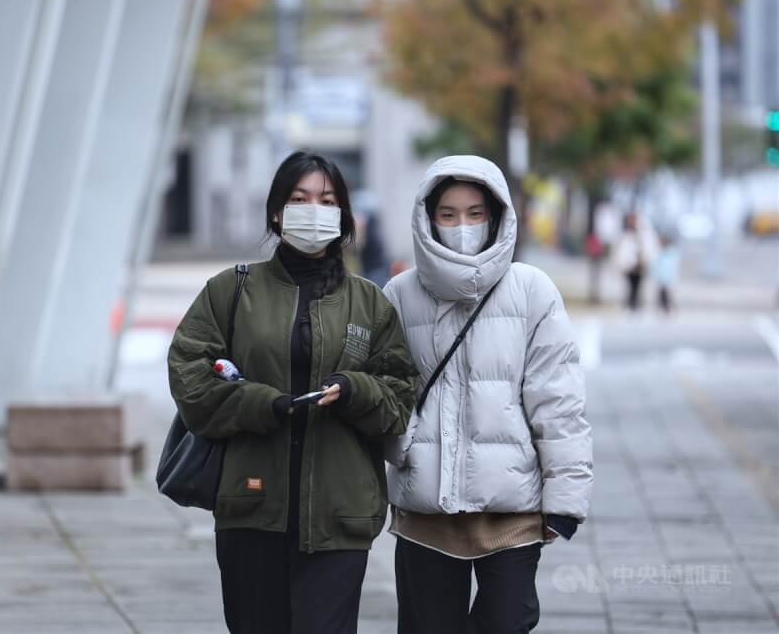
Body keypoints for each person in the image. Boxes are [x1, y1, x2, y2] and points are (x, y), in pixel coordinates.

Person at [167, 151, 418, 634]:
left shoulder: (369, 302)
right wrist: (261, 404)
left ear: (344, 216)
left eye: (326, 200)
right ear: (277, 211)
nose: (313, 209)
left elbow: (399, 398)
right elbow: (189, 377)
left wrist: (354, 389)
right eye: (299, 198)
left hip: (340, 516)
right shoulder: (231, 291)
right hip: (251, 507)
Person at [383, 155, 593, 634]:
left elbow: (557, 401)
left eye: (476, 213)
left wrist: (565, 498)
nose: (462, 226)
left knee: (508, 620)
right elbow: (388, 396)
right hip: (425, 514)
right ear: (428, 219)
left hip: (511, 512)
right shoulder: (399, 294)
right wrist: (402, 448)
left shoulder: (531, 290)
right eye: (449, 214)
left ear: (496, 217)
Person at [614, 210, 658, 311]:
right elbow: (622, 251)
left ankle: (635, 305)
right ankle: (630, 305)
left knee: (637, 286)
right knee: (630, 285)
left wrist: (645, 259)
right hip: (629, 265)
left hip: (640, 265)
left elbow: (650, 248)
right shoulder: (626, 234)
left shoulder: (644, 234)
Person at [654, 232, 681, 314]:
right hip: (661, 277)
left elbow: (674, 266)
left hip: (669, 277)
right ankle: (663, 309)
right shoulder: (658, 252)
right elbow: (655, 265)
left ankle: (670, 309)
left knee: (669, 294)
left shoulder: (672, 253)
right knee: (661, 294)